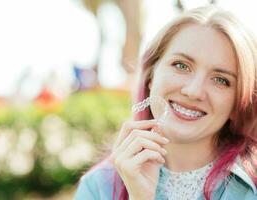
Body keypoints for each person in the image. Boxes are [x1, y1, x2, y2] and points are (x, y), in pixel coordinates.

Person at [74, 5, 257, 200]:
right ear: (151, 75)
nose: (193, 91)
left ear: (239, 103)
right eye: (181, 65)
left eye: (221, 79)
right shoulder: (97, 188)